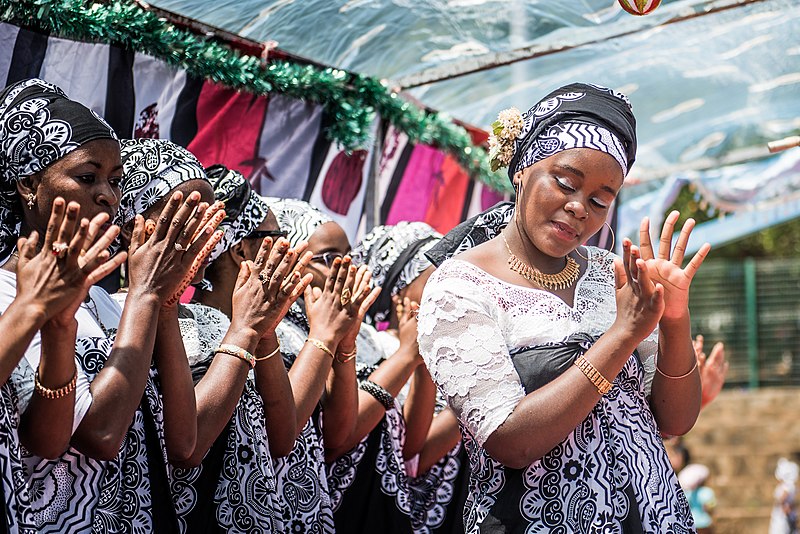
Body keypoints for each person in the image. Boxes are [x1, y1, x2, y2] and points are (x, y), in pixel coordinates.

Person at [418, 82, 711, 532]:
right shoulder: (460, 287)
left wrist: (673, 318)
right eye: (566, 183)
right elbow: (510, 441)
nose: (579, 208)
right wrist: (620, 336)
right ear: (521, 170)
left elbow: (676, 419)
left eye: (599, 201)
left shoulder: (611, 272)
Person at [0, 78, 219, 532]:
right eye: (87, 177)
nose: (107, 195)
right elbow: (99, 434)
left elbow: (181, 440)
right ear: (28, 184)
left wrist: (156, 299)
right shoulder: (6, 294)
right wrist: (144, 295)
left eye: (115, 181)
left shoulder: (102, 298)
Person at [267, 197, 379, 531]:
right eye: (329, 258)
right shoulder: (274, 331)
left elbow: (337, 433)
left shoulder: (326, 328)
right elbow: (284, 436)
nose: (345, 268)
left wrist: (343, 343)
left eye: (349, 256)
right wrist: (327, 337)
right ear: (289, 260)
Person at [679, 463, 716, 533]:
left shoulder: (687, 493)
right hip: (705, 523)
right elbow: (710, 507)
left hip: (692, 523)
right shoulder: (707, 492)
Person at [771, 457, 799, 534]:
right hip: (782, 517)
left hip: (783, 518)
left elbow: (784, 499)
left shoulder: (788, 486)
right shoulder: (787, 485)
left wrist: (784, 506)